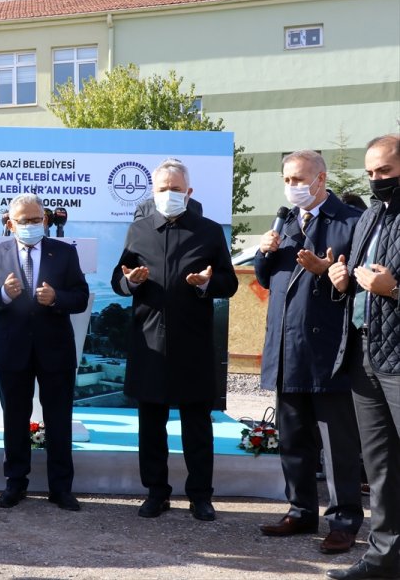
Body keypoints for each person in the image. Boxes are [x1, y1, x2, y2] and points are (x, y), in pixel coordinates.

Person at [111, 158, 238, 522]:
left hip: (193, 345)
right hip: (149, 341)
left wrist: (206, 284)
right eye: (163, 189)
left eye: (176, 189)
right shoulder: (138, 230)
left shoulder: (210, 232)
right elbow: (118, 281)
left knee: (196, 425)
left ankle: (200, 495)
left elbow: (229, 284)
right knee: (151, 424)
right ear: (153, 192)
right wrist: (132, 281)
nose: (169, 195)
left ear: (190, 192)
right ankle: (156, 492)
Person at [254, 150, 363, 554]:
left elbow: (363, 287)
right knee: (293, 438)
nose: (292, 187)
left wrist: (330, 276)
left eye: (299, 179)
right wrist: (265, 251)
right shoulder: (284, 220)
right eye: (287, 180)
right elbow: (267, 280)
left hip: (329, 352)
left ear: (321, 178)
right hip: (287, 349)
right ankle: (300, 511)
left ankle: (344, 521)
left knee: (337, 446)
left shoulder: (351, 222)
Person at [0, 193, 89, 512]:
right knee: (14, 420)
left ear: (46, 220)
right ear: (10, 224)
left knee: (58, 420)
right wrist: (3, 295)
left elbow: (79, 297)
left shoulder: (65, 253)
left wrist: (56, 298)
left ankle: (61, 488)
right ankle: (15, 483)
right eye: (23, 221)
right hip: (13, 350)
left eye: (35, 219)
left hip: (56, 350)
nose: (29, 225)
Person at [326, 134, 400, 580]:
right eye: (370, 173)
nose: (376, 181)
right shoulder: (369, 217)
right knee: (381, 466)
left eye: (385, 172)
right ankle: (383, 559)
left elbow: (386, 287)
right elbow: (360, 286)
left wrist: (394, 290)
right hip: (364, 354)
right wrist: (340, 283)